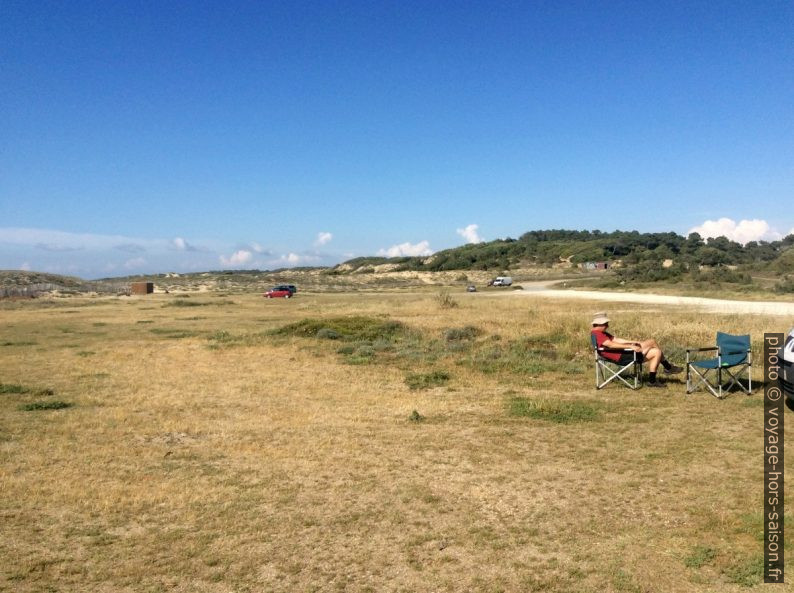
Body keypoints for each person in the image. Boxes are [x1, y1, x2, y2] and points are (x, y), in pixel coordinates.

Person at [590, 312, 683, 387]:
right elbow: (610, 345)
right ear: (600, 324)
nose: (607, 326)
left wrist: (634, 341)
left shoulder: (601, 333)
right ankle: (668, 368)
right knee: (652, 342)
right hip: (622, 357)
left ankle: (653, 381)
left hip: (623, 354)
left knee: (657, 352)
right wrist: (630, 346)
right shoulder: (598, 333)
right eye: (606, 324)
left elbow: (617, 340)